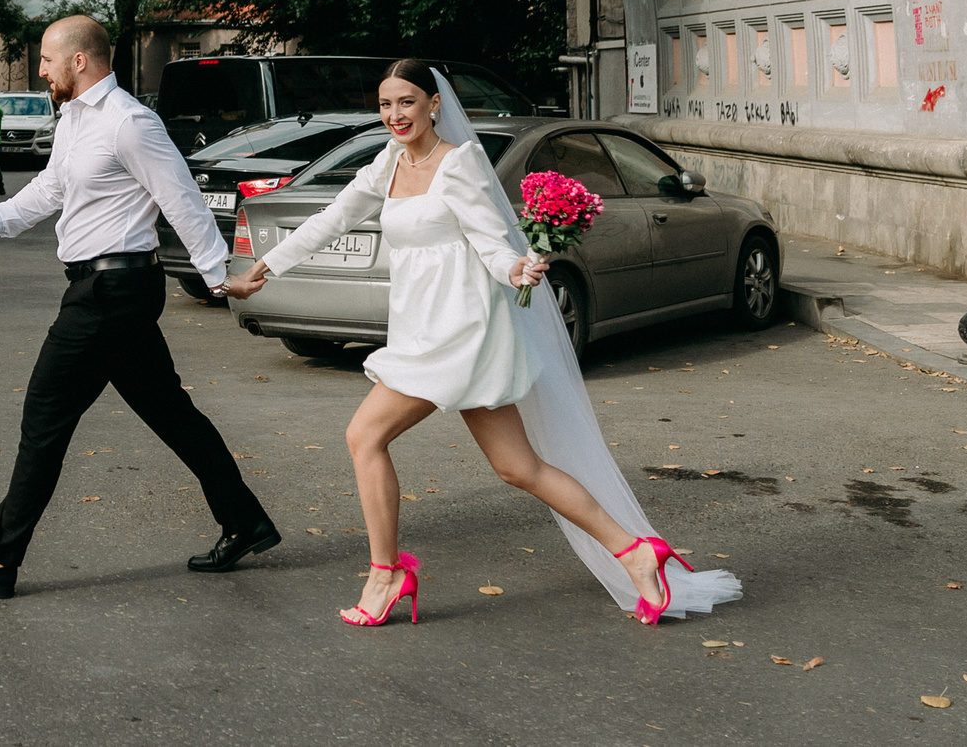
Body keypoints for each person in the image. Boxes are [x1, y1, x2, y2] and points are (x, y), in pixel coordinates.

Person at [217, 60, 743, 628]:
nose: (396, 115)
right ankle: (637, 552)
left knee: (364, 435)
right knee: (519, 467)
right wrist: (263, 268)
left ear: (434, 104)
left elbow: (492, 243)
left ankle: (386, 573)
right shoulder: (387, 163)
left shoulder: (459, 165)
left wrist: (518, 268)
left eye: (408, 102)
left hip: (460, 332)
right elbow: (332, 220)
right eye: (387, 104)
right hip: (421, 330)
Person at [0, 15, 276, 599]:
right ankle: (246, 521)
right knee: (171, 413)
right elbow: (52, 188)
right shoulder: (75, 120)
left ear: (79, 60)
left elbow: (180, 196)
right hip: (103, 290)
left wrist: (220, 275)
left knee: (43, 419)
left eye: (45, 60)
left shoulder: (130, 123)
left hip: (111, 294)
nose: (40, 70)